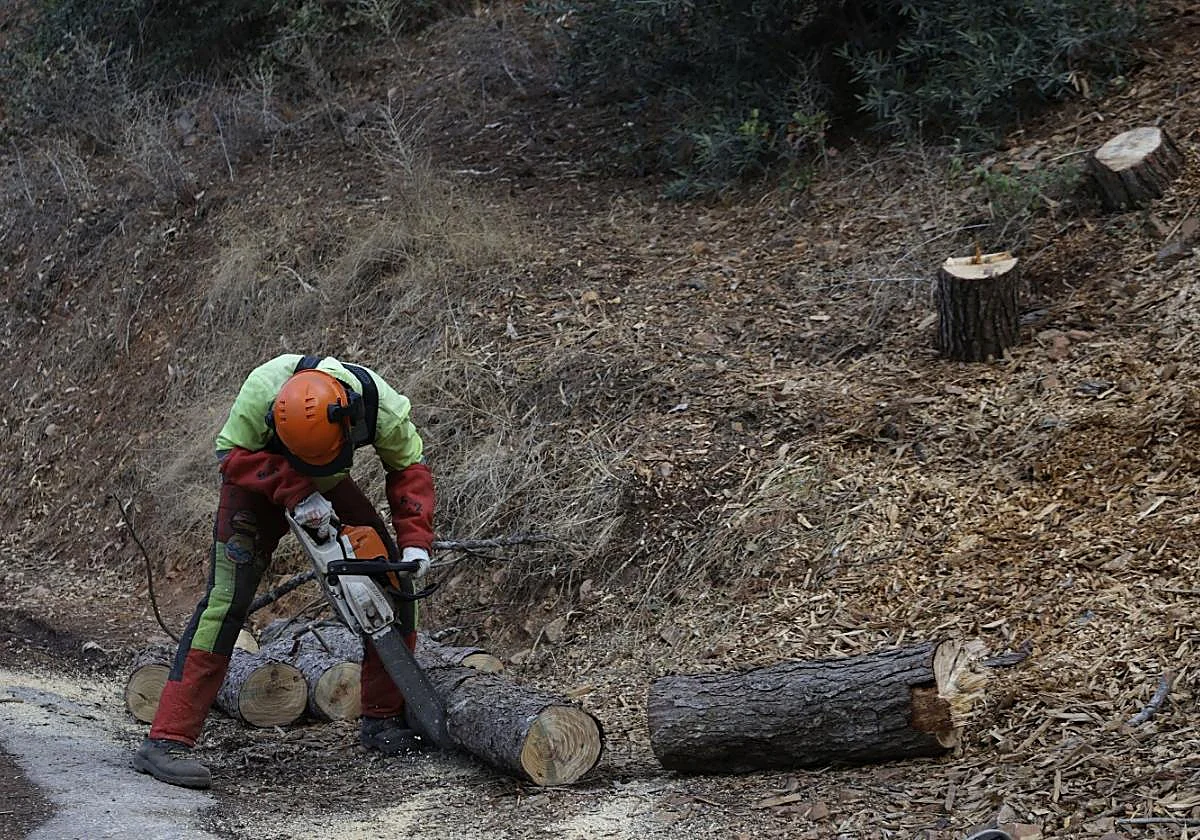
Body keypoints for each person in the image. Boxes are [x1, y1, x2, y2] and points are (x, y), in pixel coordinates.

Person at [133, 354, 436, 789]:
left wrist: (415, 541)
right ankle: (167, 740)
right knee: (225, 603)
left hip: (327, 477)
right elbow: (229, 454)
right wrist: (294, 490)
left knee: (393, 579)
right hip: (257, 477)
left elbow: (409, 468)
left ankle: (383, 719)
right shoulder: (260, 389)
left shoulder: (381, 405)